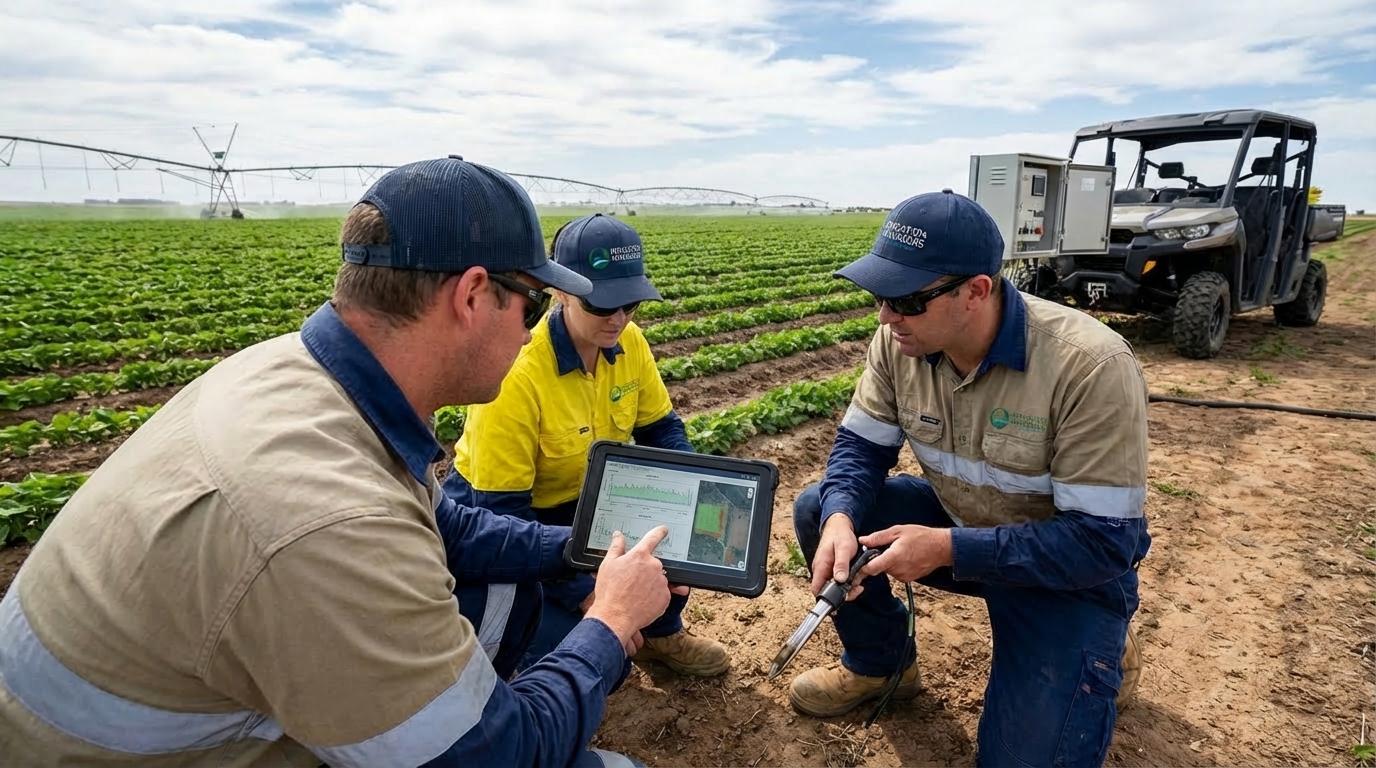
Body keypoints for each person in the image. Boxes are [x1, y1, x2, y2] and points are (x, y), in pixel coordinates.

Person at [0, 156, 678, 768]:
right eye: (530, 304)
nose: (531, 330)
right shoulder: (328, 518)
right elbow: (496, 756)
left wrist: (591, 551)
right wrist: (611, 625)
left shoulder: (303, 376)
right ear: (472, 297)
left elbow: (456, 533)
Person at [788, 189, 1150, 767]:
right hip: (964, 527)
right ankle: (882, 665)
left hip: (1063, 571)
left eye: (906, 299)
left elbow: (1102, 541)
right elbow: (860, 446)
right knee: (818, 506)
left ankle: (1101, 644)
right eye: (880, 296)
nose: (886, 316)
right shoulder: (899, 341)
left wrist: (946, 548)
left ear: (976, 291)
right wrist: (839, 518)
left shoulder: (1090, 366)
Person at [443, 212, 730, 677]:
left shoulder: (629, 342)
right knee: (579, 649)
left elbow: (661, 429)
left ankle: (660, 634)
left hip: (590, 501)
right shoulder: (520, 373)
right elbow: (503, 515)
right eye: (601, 306)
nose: (618, 319)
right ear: (561, 291)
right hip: (512, 516)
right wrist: (587, 592)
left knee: (664, 536)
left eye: (630, 305)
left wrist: (687, 494)